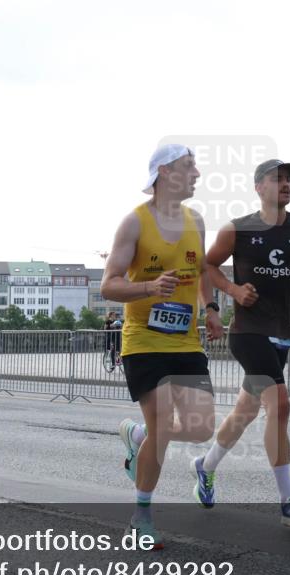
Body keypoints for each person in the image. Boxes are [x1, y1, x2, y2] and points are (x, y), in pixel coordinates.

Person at [101, 143, 224, 549]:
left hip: (185, 341)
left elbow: (204, 269)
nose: (197, 174)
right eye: (190, 166)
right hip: (144, 341)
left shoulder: (197, 222)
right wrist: (149, 287)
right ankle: (141, 516)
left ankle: (138, 436)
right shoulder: (134, 224)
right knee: (163, 424)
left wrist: (210, 307)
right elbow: (109, 285)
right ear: (166, 172)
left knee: (201, 426)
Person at [201, 158, 290, 527]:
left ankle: (204, 468)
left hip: (283, 331)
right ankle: (289, 500)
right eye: (277, 179)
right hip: (248, 332)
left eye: (288, 179)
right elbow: (207, 266)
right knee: (280, 404)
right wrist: (231, 291)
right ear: (259, 187)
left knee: (245, 412)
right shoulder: (237, 229)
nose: (285, 184)